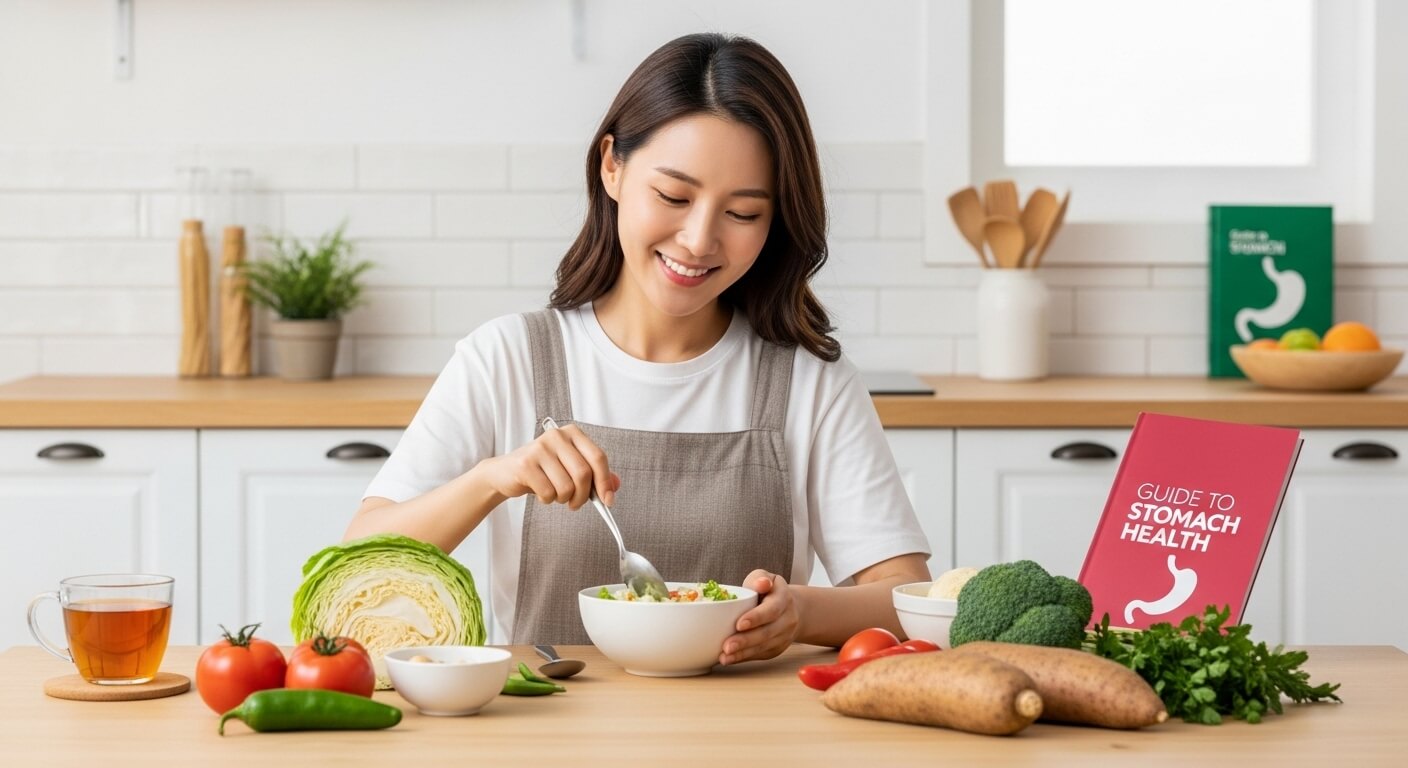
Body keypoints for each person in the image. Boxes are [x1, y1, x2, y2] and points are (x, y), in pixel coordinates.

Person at [345, 32, 932, 664]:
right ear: (612, 166)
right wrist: (494, 478)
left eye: (743, 213)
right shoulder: (507, 358)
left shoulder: (810, 381)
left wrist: (801, 612)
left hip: (753, 737)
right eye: (674, 196)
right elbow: (358, 558)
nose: (699, 240)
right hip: (547, 737)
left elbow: (905, 596)